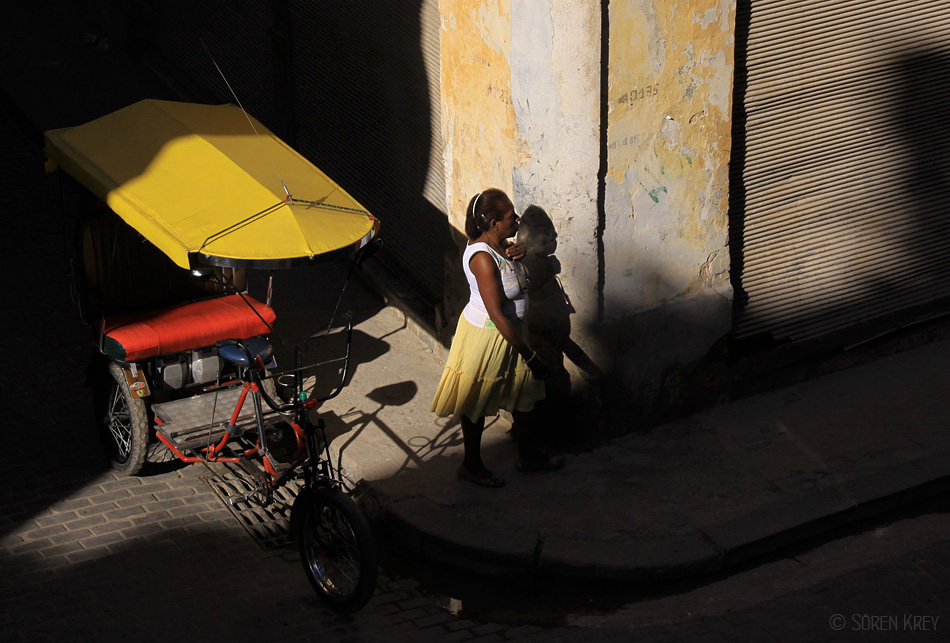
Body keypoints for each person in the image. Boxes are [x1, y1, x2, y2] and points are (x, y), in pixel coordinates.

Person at [431, 188, 563, 488]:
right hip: (490, 335)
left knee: (523, 392)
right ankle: (471, 465)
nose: (516, 220)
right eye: (510, 217)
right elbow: (496, 313)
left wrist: (518, 254)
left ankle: (528, 456)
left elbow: (508, 271)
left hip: (512, 333)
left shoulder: (497, 246)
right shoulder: (482, 259)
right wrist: (529, 354)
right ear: (493, 224)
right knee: (476, 401)